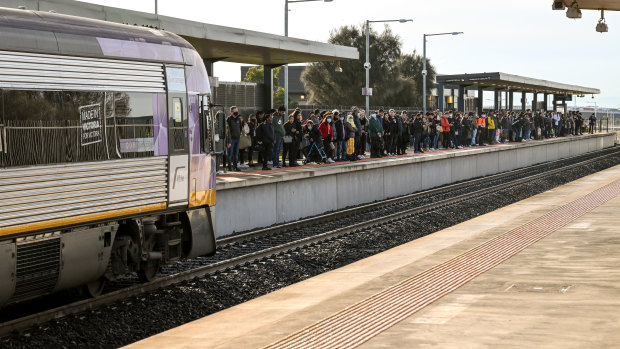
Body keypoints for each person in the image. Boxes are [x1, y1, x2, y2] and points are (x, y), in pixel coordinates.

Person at [226, 106, 241, 171]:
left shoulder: (238, 119)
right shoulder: (229, 119)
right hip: (231, 139)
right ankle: (229, 167)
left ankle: (235, 166)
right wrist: (228, 140)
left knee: (236, 154)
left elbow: (240, 128)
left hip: (237, 138)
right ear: (232, 112)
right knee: (230, 154)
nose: (236, 112)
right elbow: (227, 130)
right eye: (235, 111)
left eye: (237, 111)